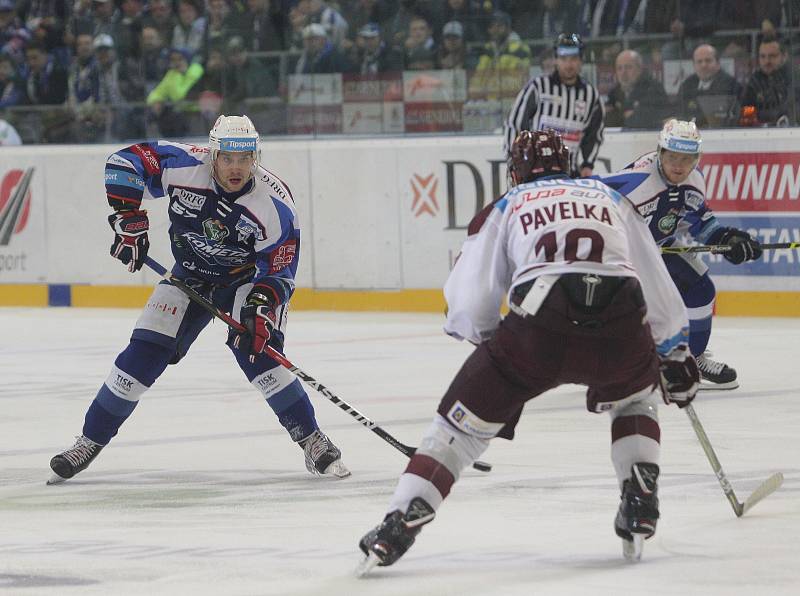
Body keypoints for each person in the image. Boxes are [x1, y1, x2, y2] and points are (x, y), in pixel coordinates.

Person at [357, 129, 700, 572]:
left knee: (457, 431)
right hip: (621, 324)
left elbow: (470, 301)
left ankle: (402, 521)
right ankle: (640, 495)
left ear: (514, 170)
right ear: (570, 164)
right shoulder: (609, 197)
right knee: (636, 396)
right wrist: (673, 351)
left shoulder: (509, 202)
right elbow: (652, 277)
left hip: (541, 325)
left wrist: (493, 352)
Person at [48, 115, 350, 484]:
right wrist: (127, 216)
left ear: (256, 156)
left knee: (257, 352)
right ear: (213, 154)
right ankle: (89, 441)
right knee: (142, 355)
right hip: (189, 273)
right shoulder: (184, 164)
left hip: (247, 280)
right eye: (228, 158)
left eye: (245, 158)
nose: (236, 168)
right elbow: (123, 162)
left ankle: (311, 438)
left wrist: (259, 311)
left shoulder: (275, 204)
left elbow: (279, 271)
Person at [598, 119, 762, 389]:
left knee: (701, 288)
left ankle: (690, 360)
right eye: (672, 156)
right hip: (621, 255)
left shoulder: (695, 180)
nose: (678, 165)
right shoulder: (639, 181)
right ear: (660, 152)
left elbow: (699, 222)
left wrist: (728, 238)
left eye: (687, 159)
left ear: (697, 159)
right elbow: (590, 191)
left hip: (660, 247)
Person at [504, 33, 603, 178]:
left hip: (571, 175)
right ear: (556, 60)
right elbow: (515, 124)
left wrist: (588, 164)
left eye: (574, 59)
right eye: (563, 59)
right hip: (534, 173)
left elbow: (594, 134)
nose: (569, 64)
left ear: (581, 60)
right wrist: (514, 160)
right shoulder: (538, 87)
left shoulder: (591, 95)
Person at [676, 44, 742, 128]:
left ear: (718, 63)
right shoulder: (686, 86)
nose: (703, 65)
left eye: (708, 60)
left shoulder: (730, 85)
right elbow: (678, 114)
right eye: (699, 61)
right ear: (694, 65)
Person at [605, 49, 669, 130]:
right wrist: (625, 115)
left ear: (640, 69)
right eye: (619, 68)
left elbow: (648, 120)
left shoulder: (654, 89)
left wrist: (621, 114)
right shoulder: (615, 92)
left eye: (628, 67)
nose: (623, 72)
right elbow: (607, 119)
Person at [740, 34, 794, 126]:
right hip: (762, 134)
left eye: (772, 56)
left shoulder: (794, 79)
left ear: (784, 57)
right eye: (763, 56)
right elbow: (747, 112)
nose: (767, 61)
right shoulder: (754, 82)